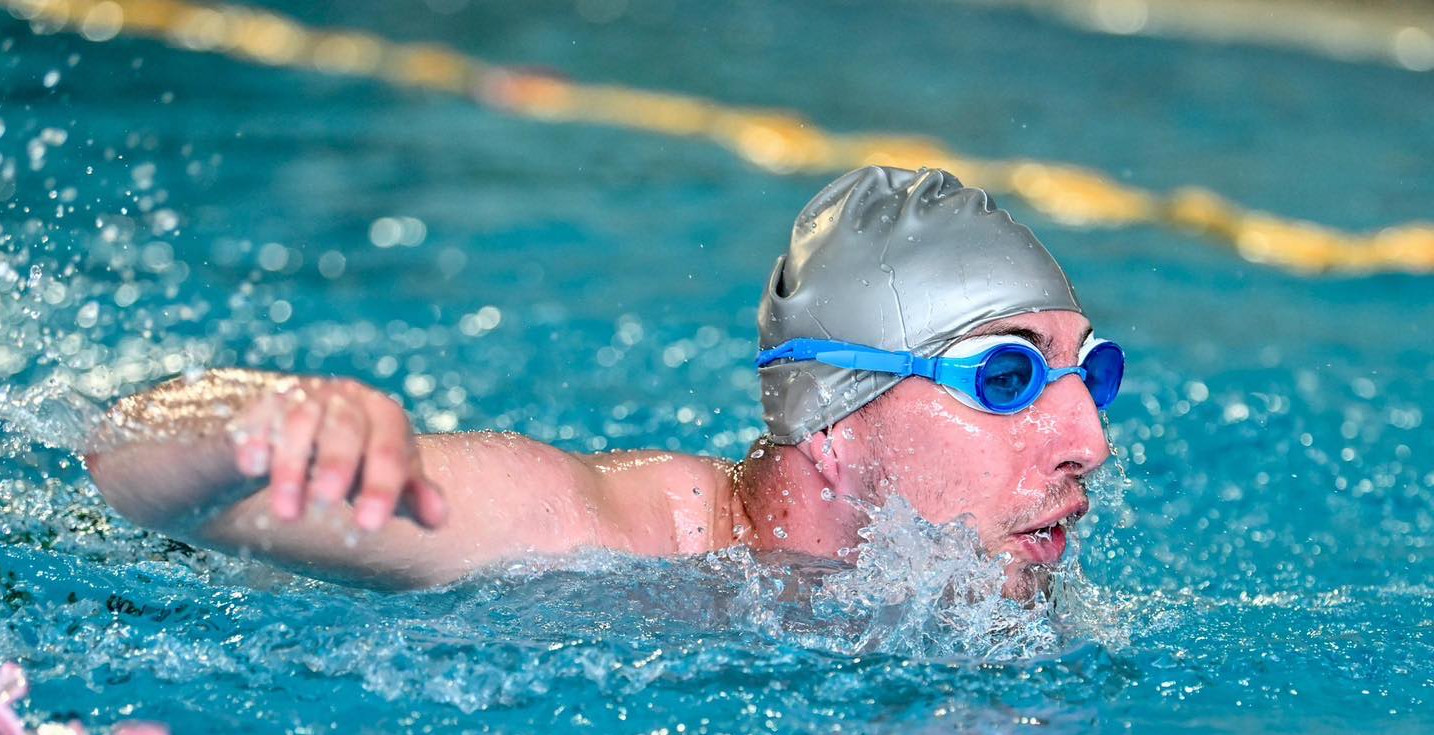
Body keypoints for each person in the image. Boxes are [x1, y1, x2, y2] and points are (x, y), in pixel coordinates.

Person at [85, 166, 1122, 598]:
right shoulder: (593, 533)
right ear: (833, 422)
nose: (1088, 439)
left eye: (1087, 373)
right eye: (1006, 374)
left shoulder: (1000, 609)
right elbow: (119, 460)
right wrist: (262, 422)